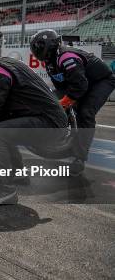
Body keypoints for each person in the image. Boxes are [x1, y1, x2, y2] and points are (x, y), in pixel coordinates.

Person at [0, 42, 68, 204]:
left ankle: (3, 188)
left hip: (48, 122)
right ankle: (18, 174)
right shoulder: (6, 65)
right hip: (51, 120)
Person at [30, 29, 115, 175]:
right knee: (61, 101)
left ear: (49, 45)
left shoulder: (66, 56)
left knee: (86, 112)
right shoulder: (50, 62)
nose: (36, 50)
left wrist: (65, 103)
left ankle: (79, 158)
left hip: (101, 81)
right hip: (82, 82)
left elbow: (80, 86)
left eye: (38, 46)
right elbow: (61, 87)